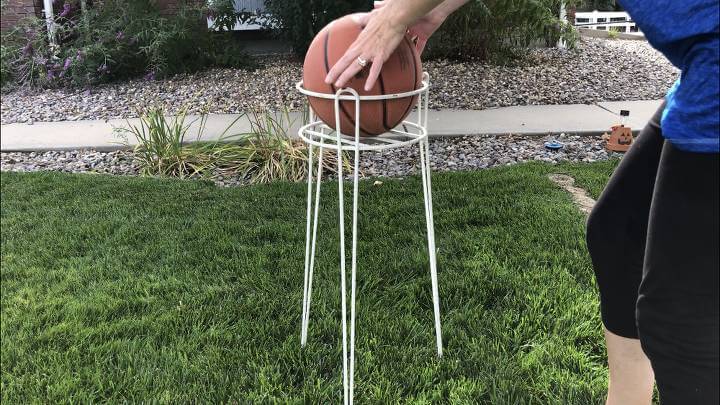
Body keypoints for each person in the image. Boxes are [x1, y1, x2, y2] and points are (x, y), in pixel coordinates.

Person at [325, 0, 720, 403]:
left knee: (680, 322)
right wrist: (436, 9)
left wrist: (396, 16)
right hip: (704, 64)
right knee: (617, 235)